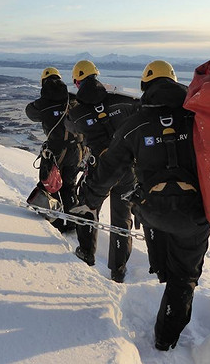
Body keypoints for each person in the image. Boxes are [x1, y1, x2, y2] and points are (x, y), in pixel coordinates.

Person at [74, 60, 210, 351]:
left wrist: (88, 201)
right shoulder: (197, 116)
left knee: (156, 231)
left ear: (145, 87)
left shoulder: (134, 124)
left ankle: (160, 269)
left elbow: (108, 170)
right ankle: (165, 339)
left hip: (152, 211)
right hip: (194, 215)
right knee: (183, 280)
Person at [64, 59, 138, 283]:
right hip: (127, 168)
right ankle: (118, 268)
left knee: (89, 207)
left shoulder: (77, 114)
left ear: (77, 82)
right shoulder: (120, 102)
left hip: (99, 170)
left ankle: (86, 253)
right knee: (122, 217)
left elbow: (70, 127)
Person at [25, 67, 82, 232]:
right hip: (76, 150)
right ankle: (72, 222)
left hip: (55, 152)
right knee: (69, 186)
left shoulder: (43, 104)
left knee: (49, 184)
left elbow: (30, 112)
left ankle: (54, 223)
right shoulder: (73, 100)